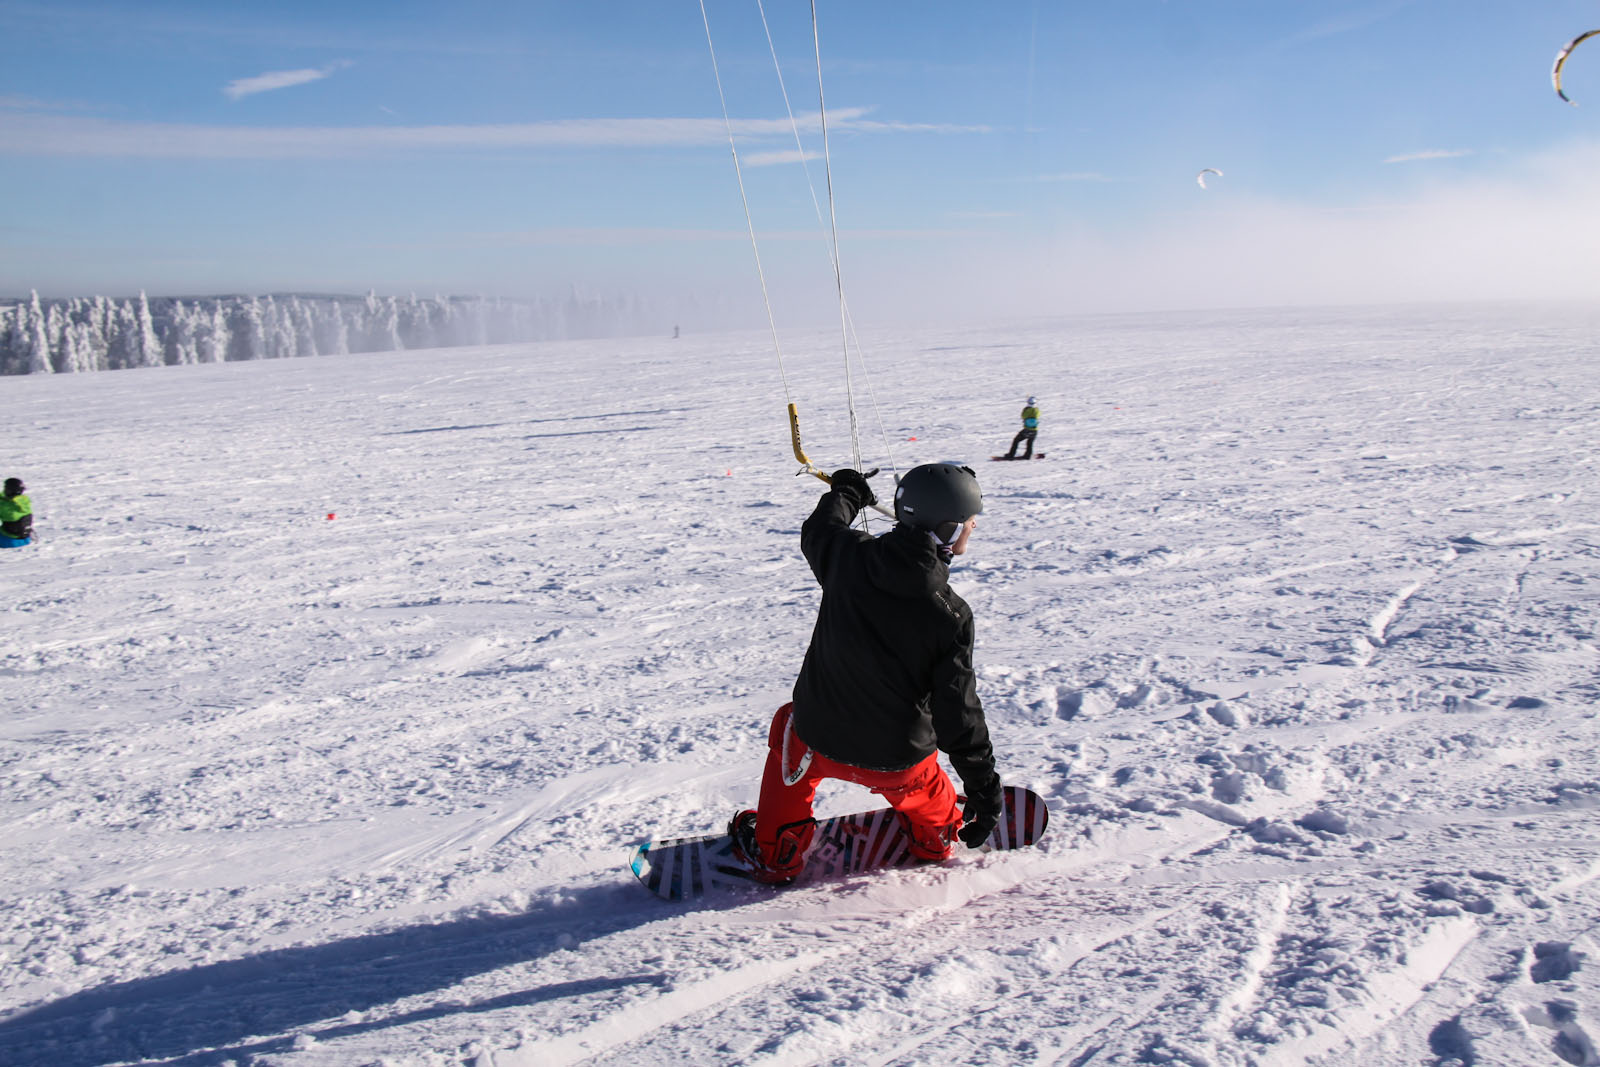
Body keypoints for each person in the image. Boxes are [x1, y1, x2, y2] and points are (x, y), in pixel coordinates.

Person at [729, 462, 1004, 884]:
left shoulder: (847, 557)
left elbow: (819, 529)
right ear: (949, 529)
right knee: (922, 781)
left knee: (790, 726)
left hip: (817, 738)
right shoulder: (950, 615)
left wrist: (847, 492)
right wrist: (983, 789)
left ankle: (777, 849)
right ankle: (936, 835)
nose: (974, 526)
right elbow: (958, 715)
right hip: (897, 762)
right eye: (970, 520)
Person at [1004, 396, 1040, 460]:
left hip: (1027, 430)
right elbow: (1038, 415)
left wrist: (1026, 409)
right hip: (1034, 430)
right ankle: (1028, 455)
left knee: (1016, 440)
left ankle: (1011, 455)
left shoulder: (1027, 410)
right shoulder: (1037, 410)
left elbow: (1023, 416)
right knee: (1030, 443)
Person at [0, 477, 32, 547]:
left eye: (6, 488)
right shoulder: (24, 500)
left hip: (9, 540)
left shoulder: (7, 506)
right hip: (26, 539)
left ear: (10, 490)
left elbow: (3, 506)